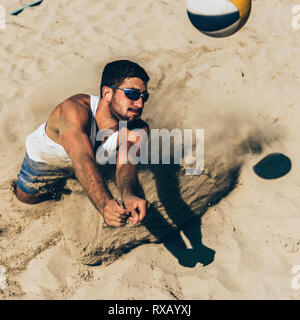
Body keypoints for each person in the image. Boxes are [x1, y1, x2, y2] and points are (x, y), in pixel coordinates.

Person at [16, 60, 151, 227]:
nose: (140, 104)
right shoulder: (75, 110)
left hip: (86, 164)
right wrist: (105, 205)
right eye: (132, 94)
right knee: (27, 201)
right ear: (107, 93)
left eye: (144, 97)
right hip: (47, 160)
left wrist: (128, 194)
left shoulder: (138, 129)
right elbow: (83, 161)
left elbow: (126, 167)